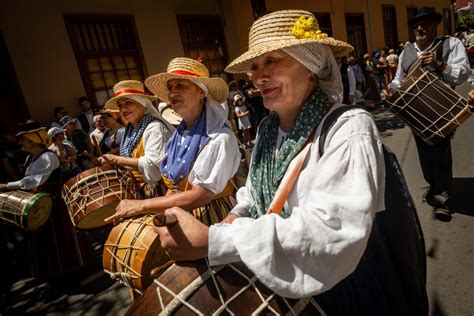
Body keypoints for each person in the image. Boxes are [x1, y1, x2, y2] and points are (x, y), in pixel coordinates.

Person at [149, 10, 424, 315]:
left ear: (311, 63)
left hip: (340, 288)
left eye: (272, 61)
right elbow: (252, 195)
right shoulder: (268, 130)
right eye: (254, 67)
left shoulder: (348, 128)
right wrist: (233, 219)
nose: (258, 76)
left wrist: (216, 241)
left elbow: (331, 230)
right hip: (281, 281)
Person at [104, 57, 240, 226]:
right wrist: (159, 215)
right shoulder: (179, 136)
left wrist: (143, 205)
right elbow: (174, 187)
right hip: (181, 213)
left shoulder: (218, 138)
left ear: (201, 92)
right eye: (170, 87)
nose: (173, 92)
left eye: (181, 85)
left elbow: (201, 195)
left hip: (212, 217)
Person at [386, 7, 470, 221]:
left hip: (441, 109)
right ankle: (434, 184)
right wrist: (392, 89)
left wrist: (439, 64)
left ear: (435, 25)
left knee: (441, 154)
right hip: (414, 112)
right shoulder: (406, 52)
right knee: (425, 155)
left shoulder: (451, 44)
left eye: (425, 24)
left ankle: (443, 199)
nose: (420, 28)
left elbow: (462, 75)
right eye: (417, 25)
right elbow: (399, 78)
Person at [0, 120, 87, 277]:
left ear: (34, 140)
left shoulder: (48, 157)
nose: (21, 143)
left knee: (59, 235)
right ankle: (52, 273)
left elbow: (33, 181)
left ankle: (70, 272)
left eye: (24, 139)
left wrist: (7, 186)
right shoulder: (30, 159)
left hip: (53, 201)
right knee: (44, 239)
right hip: (39, 201)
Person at [97, 80, 174, 198]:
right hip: (139, 191)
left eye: (128, 103)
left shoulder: (154, 128)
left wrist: (116, 160)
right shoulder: (130, 131)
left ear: (143, 103)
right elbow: (133, 161)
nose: (123, 109)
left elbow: (154, 166)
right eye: (120, 105)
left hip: (160, 193)